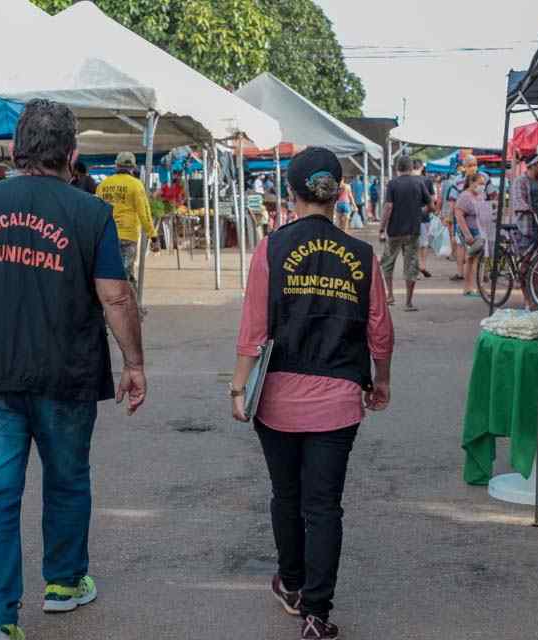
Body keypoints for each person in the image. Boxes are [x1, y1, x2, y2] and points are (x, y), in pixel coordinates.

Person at [0, 99, 147, 640]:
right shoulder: (90, 213)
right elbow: (115, 296)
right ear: (71, 155)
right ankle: (64, 584)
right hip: (65, 371)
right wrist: (134, 363)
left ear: (17, 151)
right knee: (67, 478)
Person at [231, 146, 393, 640]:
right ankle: (316, 615)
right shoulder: (363, 256)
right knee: (323, 506)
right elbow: (381, 332)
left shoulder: (271, 249)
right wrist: (381, 380)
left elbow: (254, 329)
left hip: (276, 398)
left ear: (291, 193)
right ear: (340, 193)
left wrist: (239, 388)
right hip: (339, 399)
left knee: (286, 494)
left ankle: (293, 583)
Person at [96, 151, 156, 294]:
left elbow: (96, 211)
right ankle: (131, 310)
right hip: (127, 236)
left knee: (110, 274)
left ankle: (113, 307)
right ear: (133, 167)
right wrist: (153, 236)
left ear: (116, 165)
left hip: (106, 235)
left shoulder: (103, 185)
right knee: (125, 275)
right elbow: (144, 212)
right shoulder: (136, 185)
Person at [380, 156, 433, 311]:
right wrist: (421, 211)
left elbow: (388, 207)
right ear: (411, 168)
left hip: (394, 231)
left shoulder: (392, 184)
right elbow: (431, 205)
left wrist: (382, 228)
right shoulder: (419, 182)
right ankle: (408, 302)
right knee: (411, 264)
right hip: (413, 231)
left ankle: (390, 295)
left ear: (398, 168)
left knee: (388, 263)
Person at [454, 174, 489, 297]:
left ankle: (469, 288)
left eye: (483, 184)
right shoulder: (465, 196)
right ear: (471, 182)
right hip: (470, 231)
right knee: (476, 259)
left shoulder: (480, 196)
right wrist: (467, 234)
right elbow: (459, 215)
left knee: (473, 259)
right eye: (480, 183)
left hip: (480, 230)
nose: (482, 186)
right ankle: (476, 287)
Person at [510, 153, 538, 247]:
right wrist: (529, 209)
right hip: (528, 222)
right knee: (527, 250)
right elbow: (518, 200)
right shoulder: (520, 181)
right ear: (533, 165)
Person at [413, 159, 435, 278]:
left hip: (409, 217)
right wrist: (427, 210)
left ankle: (415, 269)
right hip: (424, 216)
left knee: (413, 244)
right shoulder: (427, 180)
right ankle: (422, 265)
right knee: (424, 244)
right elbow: (432, 199)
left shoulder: (406, 180)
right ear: (421, 167)